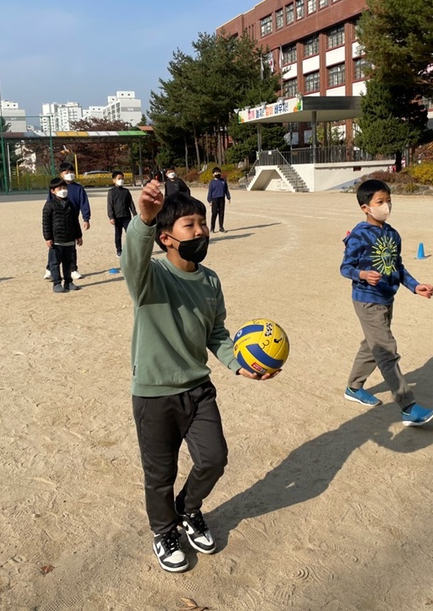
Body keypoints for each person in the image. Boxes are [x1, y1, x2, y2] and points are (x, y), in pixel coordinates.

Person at [122, 181, 277, 573]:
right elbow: (133, 258)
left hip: (197, 389)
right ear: (166, 238)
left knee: (214, 458)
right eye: (189, 225)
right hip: (155, 395)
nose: (200, 231)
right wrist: (144, 219)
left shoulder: (210, 281)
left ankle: (188, 510)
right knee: (160, 475)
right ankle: (164, 532)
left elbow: (217, 333)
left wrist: (238, 363)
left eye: (202, 223)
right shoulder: (149, 277)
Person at [340, 179, 433, 427]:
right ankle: (408, 407)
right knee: (386, 349)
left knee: (372, 345)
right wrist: (363, 274)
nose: (386, 206)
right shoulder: (359, 235)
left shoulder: (393, 234)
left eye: (389, 201)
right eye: (380, 202)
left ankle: (353, 387)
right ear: (365, 207)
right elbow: (345, 267)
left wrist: (415, 286)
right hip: (367, 300)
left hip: (386, 298)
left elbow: (398, 267)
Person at [44, 162, 90, 281]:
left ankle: (73, 269)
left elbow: (84, 204)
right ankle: (50, 269)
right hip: (57, 222)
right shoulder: (56, 187)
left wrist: (86, 218)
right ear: (61, 174)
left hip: (71, 221)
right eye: (67, 172)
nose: (70, 174)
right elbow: (49, 205)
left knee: (71, 247)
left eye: (72, 172)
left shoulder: (79, 188)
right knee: (55, 248)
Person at [42, 177, 83, 293]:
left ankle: (68, 282)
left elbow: (75, 221)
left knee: (68, 262)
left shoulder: (71, 205)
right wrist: (48, 238)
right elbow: (46, 223)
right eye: (59, 188)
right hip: (56, 241)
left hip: (69, 240)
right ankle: (57, 283)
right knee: (54, 263)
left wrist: (78, 235)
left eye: (64, 188)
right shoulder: (49, 205)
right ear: (53, 191)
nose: (63, 190)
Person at [106, 170, 136, 257]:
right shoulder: (111, 192)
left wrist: (134, 213)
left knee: (130, 234)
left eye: (122, 178)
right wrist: (111, 217)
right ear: (114, 180)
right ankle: (119, 250)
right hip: (117, 217)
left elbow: (131, 203)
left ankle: (131, 250)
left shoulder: (126, 191)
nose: (121, 180)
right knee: (118, 235)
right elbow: (110, 205)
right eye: (119, 178)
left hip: (126, 216)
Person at [206, 167, 231, 233]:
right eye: (216, 172)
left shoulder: (223, 181)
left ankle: (221, 227)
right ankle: (212, 228)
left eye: (218, 172)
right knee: (214, 214)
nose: (217, 174)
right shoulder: (212, 182)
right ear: (213, 174)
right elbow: (210, 192)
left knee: (221, 213)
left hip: (222, 199)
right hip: (214, 199)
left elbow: (226, 190)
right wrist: (209, 200)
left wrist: (228, 197)